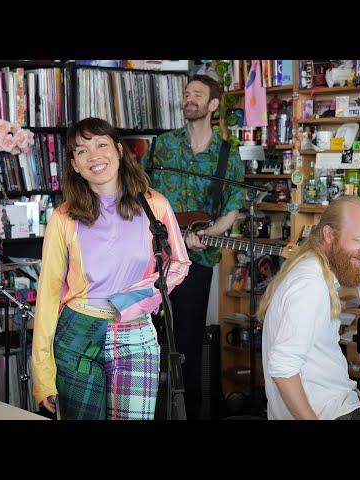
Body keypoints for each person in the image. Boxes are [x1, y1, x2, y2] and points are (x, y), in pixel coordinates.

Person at [32, 117, 191, 420]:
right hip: (78, 333)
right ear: (75, 165)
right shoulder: (63, 217)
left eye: (102, 145)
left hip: (135, 334)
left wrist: (132, 299)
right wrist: (42, 374)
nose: (94, 156)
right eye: (82, 151)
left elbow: (177, 264)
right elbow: (48, 296)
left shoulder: (153, 205)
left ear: (119, 150)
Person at [141, 74, 244, 419]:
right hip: (155, 256)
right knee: (146, 341)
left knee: (187, 343)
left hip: (196, 261)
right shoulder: (163, 145)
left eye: (197, 94)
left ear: (214, 105)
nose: (190, 99)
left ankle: (187, 412)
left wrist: (208, 231)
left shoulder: (226, 154)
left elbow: (234, 206)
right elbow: (141, 194)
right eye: (187, 94)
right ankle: (147, 410)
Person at [257, 196, 360, 420]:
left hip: (337, 403)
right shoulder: (310, 284)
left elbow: (323, 366)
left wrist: (358, 398)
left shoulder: (316, 272)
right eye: (359, 240)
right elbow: (283, 369)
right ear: (329, 234)